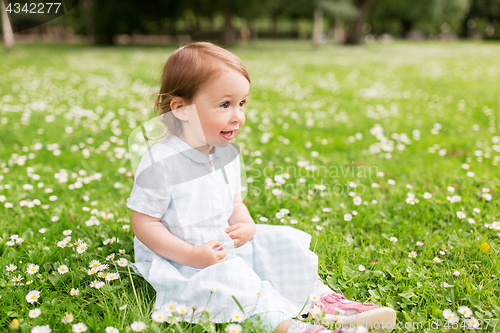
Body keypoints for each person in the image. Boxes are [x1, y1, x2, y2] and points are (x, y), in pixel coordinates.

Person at [126, 41, 396, 333]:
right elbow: (145, 223)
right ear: (181, 109)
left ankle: (322, 302)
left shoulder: (224, 153)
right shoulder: (161, 163)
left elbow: (235, 203)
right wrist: (192, 255)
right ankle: (292, 328)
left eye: (242, 103)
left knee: (279, 245)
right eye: (224, 105)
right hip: (186, 259)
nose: (237, 116)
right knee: (233, 282)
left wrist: (247, 226)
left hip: (223, 243)